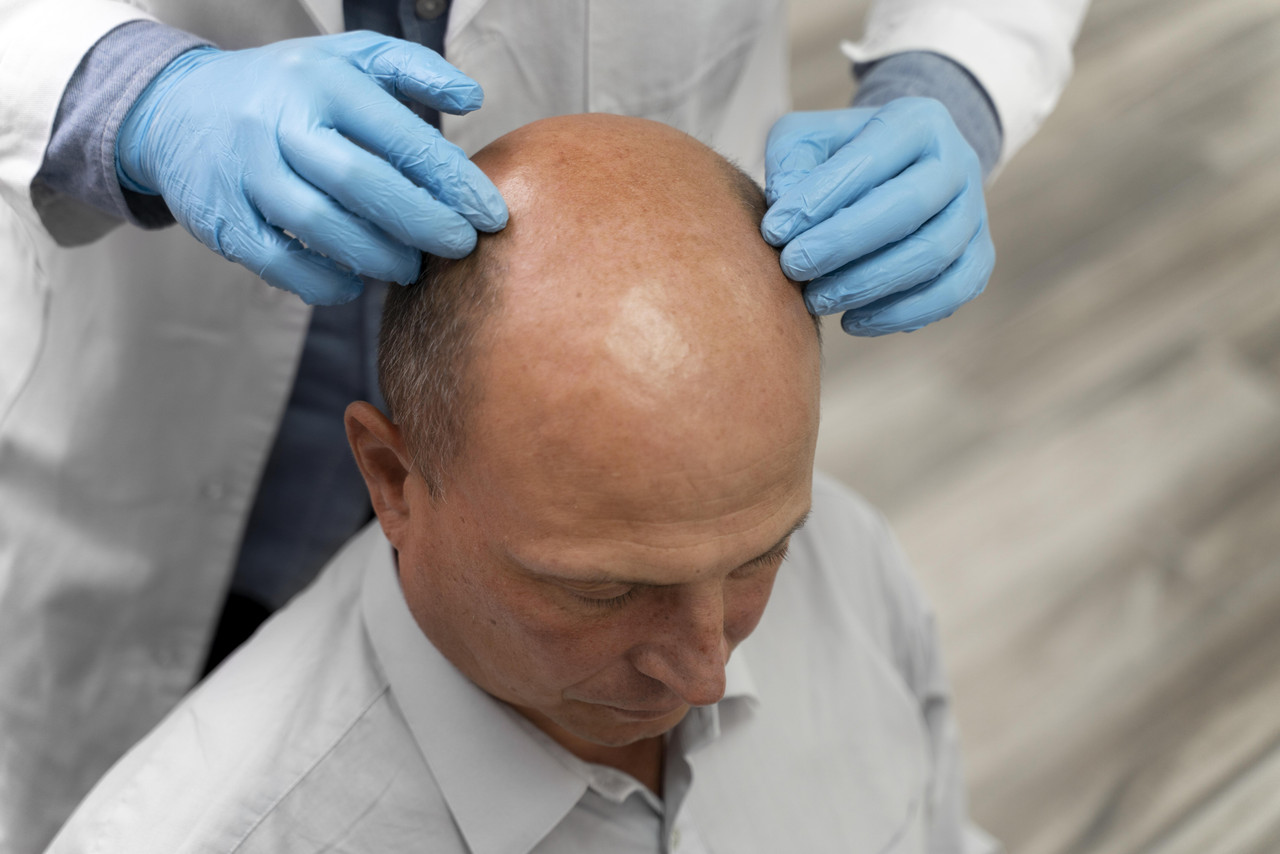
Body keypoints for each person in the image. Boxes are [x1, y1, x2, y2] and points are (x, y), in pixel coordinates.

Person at [0, 2, 1088, 850]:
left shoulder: (849, 575)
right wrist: (119, 92)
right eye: (604, 588)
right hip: (149, 397)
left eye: (764, 555)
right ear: (387, 472)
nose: (709, 672)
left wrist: (951, 73)